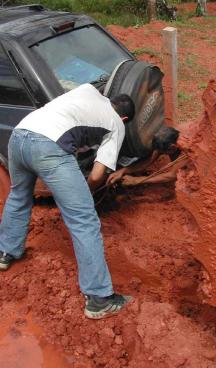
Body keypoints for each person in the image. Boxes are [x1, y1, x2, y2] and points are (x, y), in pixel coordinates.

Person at [0, 83, 135, 320]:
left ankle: (5, 252)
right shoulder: (116, 124)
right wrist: (85, 192)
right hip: (48, 147)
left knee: (19, 196)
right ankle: (99, 299)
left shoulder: (87, 90)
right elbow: (95, 175)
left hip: (19, 135)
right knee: (84, 220)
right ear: (123, 117)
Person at [107, 126, 187, 186]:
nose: (159, 153)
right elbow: (148, 161)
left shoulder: (186, 150)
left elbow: (171, 175)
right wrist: (123, 171)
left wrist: (138, 180)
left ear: (173, 147)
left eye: (163, 152)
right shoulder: (167, 138)